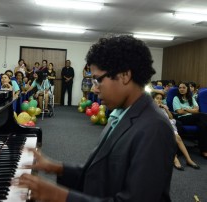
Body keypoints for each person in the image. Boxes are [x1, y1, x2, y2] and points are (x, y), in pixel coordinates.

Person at [17, 35, 176, 202]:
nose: (94, 89)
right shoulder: (121, 113)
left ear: (124, 76)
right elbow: (101, 172)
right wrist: (55, 167)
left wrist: (59, 195)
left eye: (98, 79)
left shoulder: (154, 127)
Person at [153, 92, 200, 170]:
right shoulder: (150, 107)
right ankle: (175, 159)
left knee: (178, 138)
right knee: (169, 137)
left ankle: (189, 159)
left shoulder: (163, 107)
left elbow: (171, 118)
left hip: (168, 125)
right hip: (158, 126)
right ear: (152, 99)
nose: (159, 100)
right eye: (157, 98)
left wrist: (166, 109)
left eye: (161, 99)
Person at [173, 81, 207, 159]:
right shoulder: (176, 98)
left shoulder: (191, 98)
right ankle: (204, 150)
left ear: (187, 89)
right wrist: (191, 110)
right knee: (203, 116)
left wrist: (185, 109)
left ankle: (203, 150)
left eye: (184, 87)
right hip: (182, 118)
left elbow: (197, 110)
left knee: (203, 124)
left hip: (193, 117)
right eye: (180, 88)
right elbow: (179, 112)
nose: (181, 89)